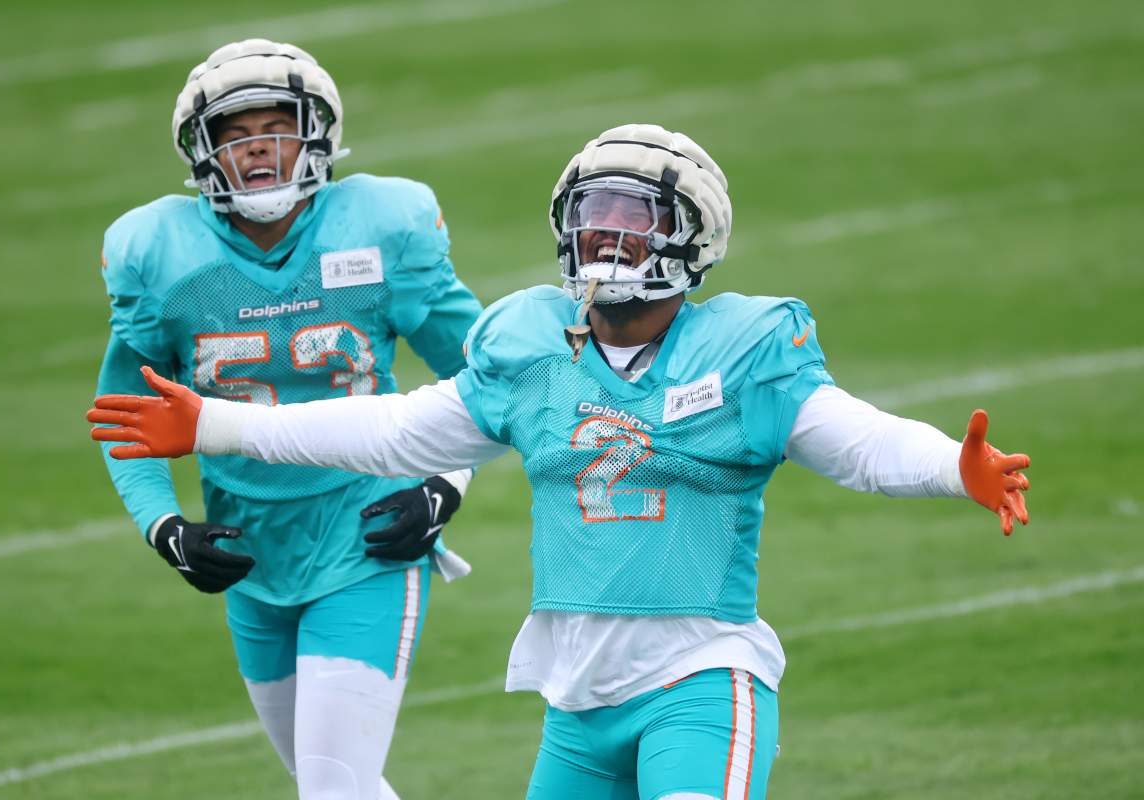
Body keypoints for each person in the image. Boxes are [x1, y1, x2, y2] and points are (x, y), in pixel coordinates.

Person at [89, 123, 1031, 800]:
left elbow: (857, 439)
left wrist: (955, 467)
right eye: (592, 214)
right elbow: (393, 430)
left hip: (701, 679)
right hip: (576, 703)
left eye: (634, 217)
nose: (605, 237)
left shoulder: (744, 351)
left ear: (690, 236)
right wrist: (217, 426)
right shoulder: (534, 346)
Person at [92, 38, 482, 800]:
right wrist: (165, 528)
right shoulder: (161, 254)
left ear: (318, 138)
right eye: (236, 135)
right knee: (337, 785)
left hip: (367, 538)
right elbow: (124, 420)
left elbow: (485, 378)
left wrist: (445, 483)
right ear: (203, 153)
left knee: (331, 789)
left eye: (277, 129)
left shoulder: (380, 227)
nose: (258, 149)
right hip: (250, 555)